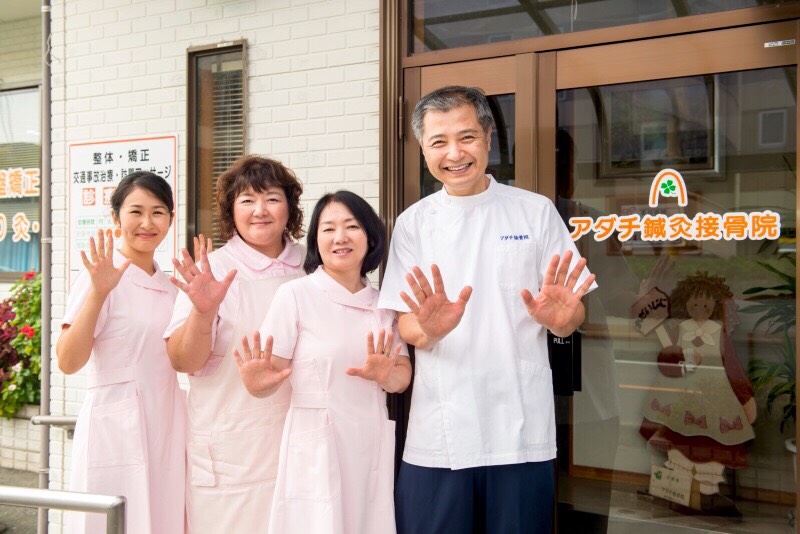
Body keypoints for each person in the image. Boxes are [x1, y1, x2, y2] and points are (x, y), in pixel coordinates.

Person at [378, 86, 596, 533]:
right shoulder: (413, 223)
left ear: (489, 138)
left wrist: (562, 322)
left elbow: (573, 312)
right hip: (439, 429)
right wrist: (427, 328)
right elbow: (405, 324)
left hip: (519, 427)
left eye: (467, 137)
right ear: (423, 149)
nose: (454, 153)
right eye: (439, 142)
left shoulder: (534, 212)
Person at [233, 190, 412, 534]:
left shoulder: (382, 303)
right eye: (328, 229)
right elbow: (268, 375)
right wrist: (257, 382)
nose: (340, 237)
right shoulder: (296, 295)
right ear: (316, 240)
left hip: (368, 436)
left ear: (370, 237)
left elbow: (402, 377)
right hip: (316, 441)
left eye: (351, 226)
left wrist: (386, 375)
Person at [164, 155, 305, 533]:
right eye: (246, 200)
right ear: (231, 212)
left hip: (302, 444)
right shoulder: (212, 269)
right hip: (231, 451)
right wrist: (202, 312)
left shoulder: (313, 265)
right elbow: (181, 359)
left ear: (290, 206)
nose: (260, 210)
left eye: (272, 198)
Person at [57, 171, 186, 534]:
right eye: (136, 212)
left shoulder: (171, 285)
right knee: (115, 520)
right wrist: (99, 293)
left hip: (166, 421)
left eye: (159, 212)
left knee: (161, 518)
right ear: (115, 219)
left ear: (171, 219)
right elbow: (67, 361)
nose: (147, 223)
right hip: (115, 424)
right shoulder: (101, 276)